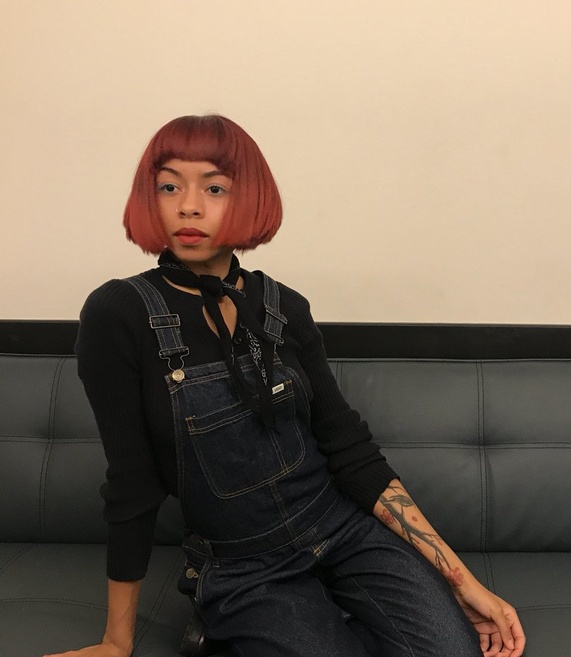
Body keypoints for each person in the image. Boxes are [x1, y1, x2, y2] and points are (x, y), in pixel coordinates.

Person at [46, 114, 525, 657]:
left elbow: (350, 450)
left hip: (341, 528)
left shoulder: (284, 306)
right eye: (169, 186)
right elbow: (132, 483)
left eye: (215, 188)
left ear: (248, 198)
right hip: (243, 564)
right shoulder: (120, 313)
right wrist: (116, 641)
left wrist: (464, 585)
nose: (189, 207)